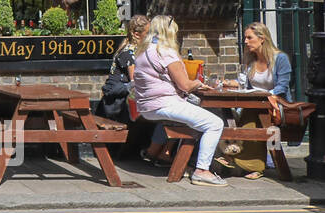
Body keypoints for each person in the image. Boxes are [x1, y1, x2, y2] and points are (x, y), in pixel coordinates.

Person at [132, 15, 227, 186]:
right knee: (215, 123)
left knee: (197, 121)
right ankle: (202, 170)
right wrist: (198, 83)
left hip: (147, 108)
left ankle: (187, 163)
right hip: (165, 104)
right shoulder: (165, 52)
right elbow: (184, 85)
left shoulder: (142, 52)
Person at [215, 22, 292, 180]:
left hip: (276, 107)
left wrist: (265, 96)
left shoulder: (280, 59)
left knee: (255, 116)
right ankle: (251, 163)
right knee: (246, 114)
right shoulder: (251, 61)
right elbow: (246, 85)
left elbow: (282, 87)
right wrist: (228, 85)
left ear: (262, 38)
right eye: (245, 38)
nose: (245, 41)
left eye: (249, 37)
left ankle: (246, 162)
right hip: (255, 106)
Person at [95, 14, 150, 125]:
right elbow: (135, 82)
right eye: (148, 33)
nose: (151, 36)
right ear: (137, 34)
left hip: (118, 101)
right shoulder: (129, 53)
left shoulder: (133, 49)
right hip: (115, 105)